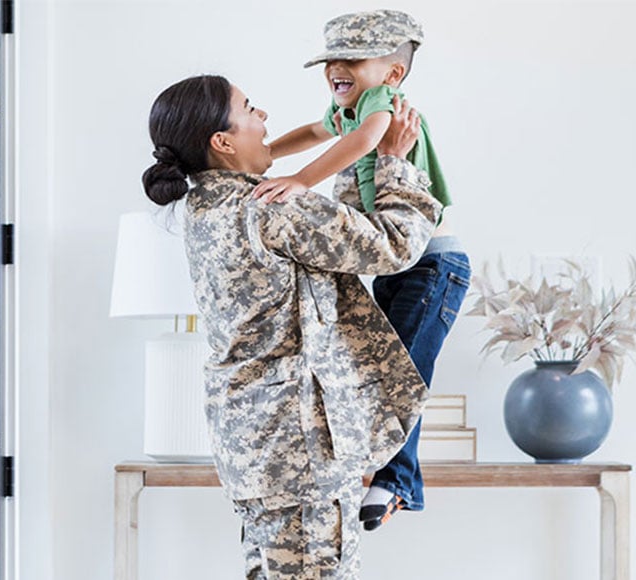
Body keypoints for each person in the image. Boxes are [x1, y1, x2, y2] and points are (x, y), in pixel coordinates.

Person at [141, 74, 441, 579]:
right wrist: (392, 162)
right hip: (302, 456)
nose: (263, 119)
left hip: (255, 451)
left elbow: (327, 232)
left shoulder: (203, 208)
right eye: (250, 109)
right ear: (223, 142)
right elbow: (392, 245)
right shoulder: (268, 210)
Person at [254, 9, 472, 531]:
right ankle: (391, 478)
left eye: (353, 58)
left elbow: (365, 142)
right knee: (386, 375)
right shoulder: (349, 106)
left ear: (393, 73)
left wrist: (302, 180)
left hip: (434, 266)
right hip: (401, 267)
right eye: (331, 59)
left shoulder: (382, 106)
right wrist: (263, 155)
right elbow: (314, 129)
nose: (336, 67)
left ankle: (394, 482)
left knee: (402, 378)